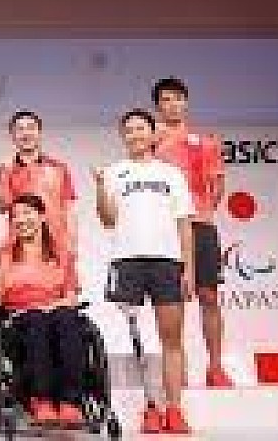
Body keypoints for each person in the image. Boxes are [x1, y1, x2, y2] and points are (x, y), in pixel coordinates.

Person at [95, 108, 195, 435]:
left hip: (167, 262)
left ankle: (175, 409)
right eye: (129, 130)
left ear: (153, 134)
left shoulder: (172, 174)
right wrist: (101, 186)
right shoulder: (114, 172)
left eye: (141, 128)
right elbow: (108, 220)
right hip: (127, 262)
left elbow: (184, 223)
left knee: (171, 339)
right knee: (136, 337)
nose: (135, 134)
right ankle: (150, 407)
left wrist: (188, 268)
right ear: (123, 136)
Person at [152, 77, 232, 388]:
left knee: (208, 295)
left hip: (200, 224)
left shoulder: (205, 141)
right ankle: (178, 371)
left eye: (177, 98)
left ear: (186, 102)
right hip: (165, 229)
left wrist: (200, 211)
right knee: (173, 302)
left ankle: (216, 367)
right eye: (165, 99)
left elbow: (217, 186)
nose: (172, 104)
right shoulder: (150, 141)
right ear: (157, 106)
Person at [0, 194, 84, 427]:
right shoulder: (3, 254)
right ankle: (40, 399)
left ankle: (70, 401)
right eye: (16, 216)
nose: (21, 219)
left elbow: (72, 294)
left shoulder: (61, 252)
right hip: (20, 317)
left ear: (41, 216)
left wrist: (57, 305)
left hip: (57, 311)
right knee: (36, 320)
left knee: (67, 320)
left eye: (27, 213)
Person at [0, 110, 78, 253]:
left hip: (56, 247)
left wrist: (72, 246)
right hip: (20, 248)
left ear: (39, 132)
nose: (26, 134)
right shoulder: (4, 169)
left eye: (31, 128)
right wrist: (2, 177)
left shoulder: (58, 168)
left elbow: (69, 210)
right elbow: (1, 208)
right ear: (12, 135)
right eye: (20, 129)